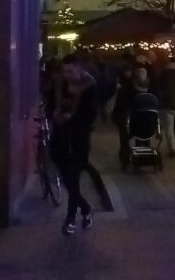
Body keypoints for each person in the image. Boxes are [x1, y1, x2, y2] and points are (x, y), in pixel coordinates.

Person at [51, 54, 98, 236]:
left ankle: (70, 219)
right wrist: (53, 112)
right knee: (68, 180)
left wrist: (72, 118)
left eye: (70, 71)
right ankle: (86, 208)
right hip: (60, 139)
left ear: (80, 69)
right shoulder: (59, 84)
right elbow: (50, 102)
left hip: (78, 140)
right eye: (65, 71)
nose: (67, 75)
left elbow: (90, 115)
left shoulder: (89, 87)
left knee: (73, 178)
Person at [111, 65, 136, 170]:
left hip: (125, 114)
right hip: (123, 114)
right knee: (124, 137)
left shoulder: (127, 86)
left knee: (125, 137)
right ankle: (125, 156)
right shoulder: (123, 86)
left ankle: (125, 155)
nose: (128, 74)